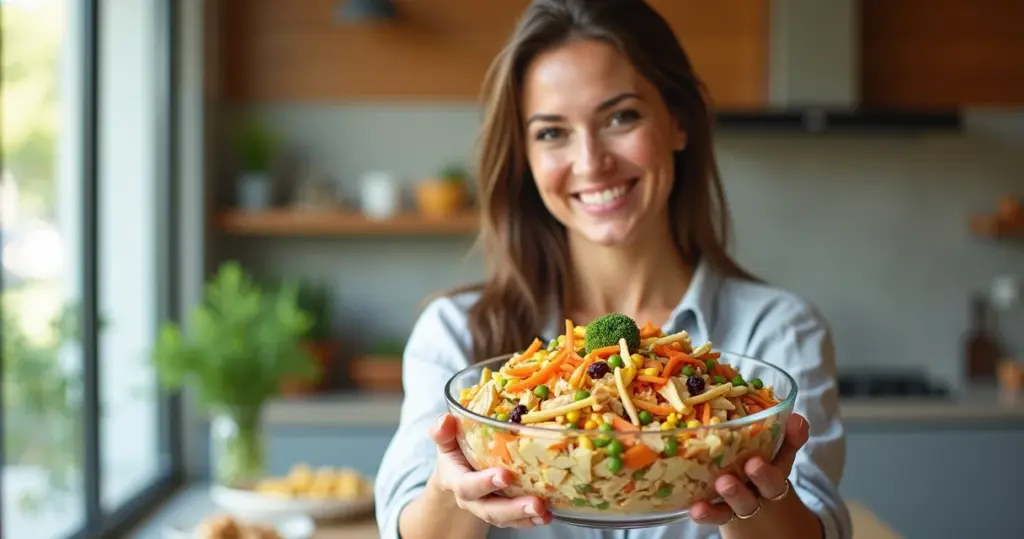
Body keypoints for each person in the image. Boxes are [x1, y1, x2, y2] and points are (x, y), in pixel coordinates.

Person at [374, 0, 851, 537]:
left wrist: (756, 501)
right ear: (525, 158)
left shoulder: (779, 330)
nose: (591, 161)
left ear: (677, 122)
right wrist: (450, 489)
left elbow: (818, 525)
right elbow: (404, 524)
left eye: (621, 117)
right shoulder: (456, 332)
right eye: (552, 132)